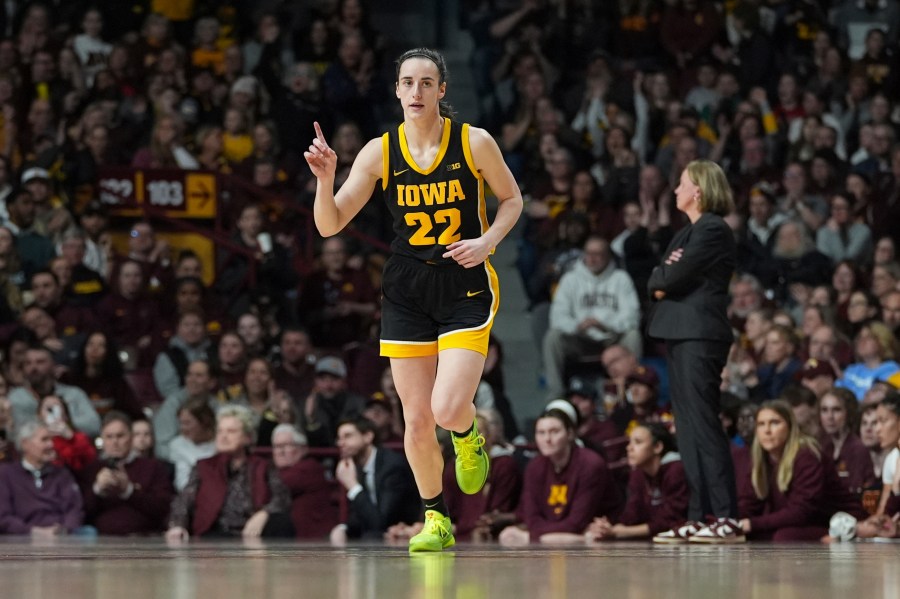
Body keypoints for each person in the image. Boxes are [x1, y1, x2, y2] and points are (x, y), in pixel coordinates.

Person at [305, 47, 523, 552]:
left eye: (428, 83)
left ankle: (469, 436)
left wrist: (487, 240)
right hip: (406, 288)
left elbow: (512, 199)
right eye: (408, 82)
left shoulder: (474, 141)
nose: (417, 91)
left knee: (448, 409)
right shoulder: (380, 151)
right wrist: (323, 181)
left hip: (464, 280)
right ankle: (436, 519)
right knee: (417, 419)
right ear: (397, 90)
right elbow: (329, 222)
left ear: (442, 91)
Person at [647, 159, 741, 543]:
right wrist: (662, 278)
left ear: (698, 189)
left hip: (700, 335)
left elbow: (669, 276)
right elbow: (658, 276)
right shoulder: (690, 231)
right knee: (686, 428)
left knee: (703, 424)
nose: (675, 191)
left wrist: (663, 278)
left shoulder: (713, 229)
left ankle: (726, 516)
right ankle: (699, 516)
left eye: (681, 183)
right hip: (683, 335)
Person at [736, 400, 865, 541]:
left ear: (790, 427)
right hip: (803, 523)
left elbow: (801, 511)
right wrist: (728, 522)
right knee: (747, 535)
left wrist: (752, 524)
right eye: (761, 424)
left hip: (838, 523)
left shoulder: (807, 456)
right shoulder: (761, 459)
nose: (767, 430)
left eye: (774, 423)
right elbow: (748, 503)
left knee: (784, 537)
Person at [496, 402, 622, 546]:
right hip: (569, 538)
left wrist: (529, 537)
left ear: (570, 434)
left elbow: (576, 523)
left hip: (603, 544)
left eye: (554, 432)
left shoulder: (591, 464)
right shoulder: (534, 467)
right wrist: (546, 535)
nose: (547, 439)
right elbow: (531, 519)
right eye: (541, 433)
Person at [165, 405, 294, 540]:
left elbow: (282, 498)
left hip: (251, 533)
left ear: (248, 437)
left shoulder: (262, 466)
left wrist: (263, 514)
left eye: (231, 431)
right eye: (220, 431)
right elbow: (184, 500)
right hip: (213, 533)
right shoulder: (204, 466)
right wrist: (178, 525)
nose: (223, 437)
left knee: (281, 522)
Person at [587, 423, 689, 542]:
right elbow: (632, 514)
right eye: (630, 442)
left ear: (657, 447)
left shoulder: (675, 470)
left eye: (638, 442)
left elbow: (671, 521)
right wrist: (607, 526)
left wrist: (620, 532)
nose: (629, 448)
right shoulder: (638, 474)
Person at [79, 412, 174, 535]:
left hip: (146, 539)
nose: (115, 442)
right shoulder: (91, 469)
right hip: (102, 542)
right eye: (109, 436)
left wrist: (129, 490)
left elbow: (163, 508)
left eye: (120, 436)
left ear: (131, 437)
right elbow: (80, 513)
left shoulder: (153, 467)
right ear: (102, 439)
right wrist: (97, 489)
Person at [329, 417, 420, 543]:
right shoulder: (356, 467)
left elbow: (381, 523)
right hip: (377, 538)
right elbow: (358, 516)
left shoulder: (392, 466)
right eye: (339, 438)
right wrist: (344, 528)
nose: (340, 443)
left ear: (368, 436)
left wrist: (353, 486)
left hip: (403, 538)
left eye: (348, 436)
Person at [0, 421, 85, 536]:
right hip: (21, 538)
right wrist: (34, 532)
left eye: (51, 440)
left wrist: (64, 530)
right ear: (25, 444)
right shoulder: (6, 473)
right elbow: (3, 516)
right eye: (44, 440)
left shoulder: (62, 474)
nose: (51, 445)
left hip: (61, 537)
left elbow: (74, 510)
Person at [271, 424, 337, 539]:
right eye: (276, 446)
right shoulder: (276, 472)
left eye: (286, 445)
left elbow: (280, 485)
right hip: (290, 540)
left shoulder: (310, 468)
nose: (280, 451)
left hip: (313, 542)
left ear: (303, 449)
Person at [818, 387, 875, 496]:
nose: (830, 417)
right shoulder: (822, 446)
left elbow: (854, 493)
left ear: (848, 413)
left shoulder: (858, 449)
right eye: (824, 410)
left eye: (836, 410)